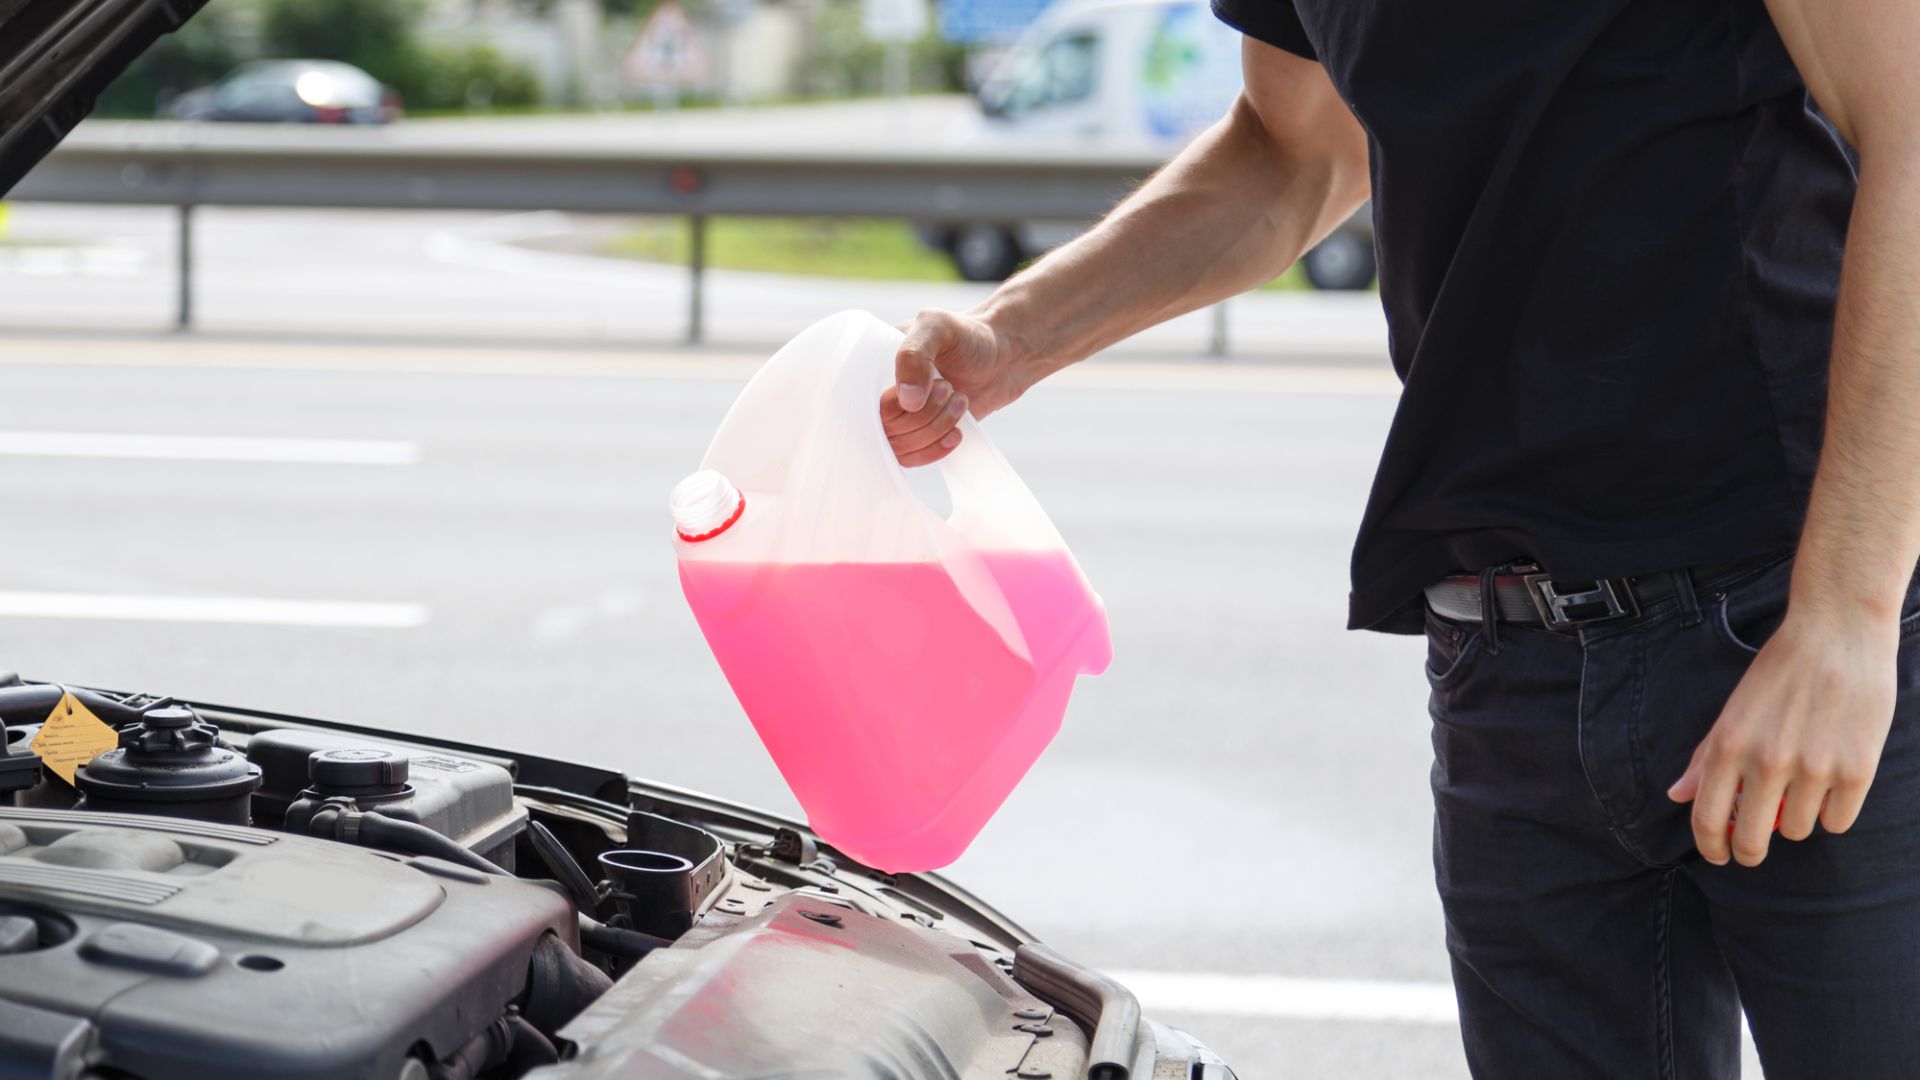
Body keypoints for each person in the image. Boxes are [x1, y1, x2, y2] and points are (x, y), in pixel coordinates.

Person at [879, 2, 1920, 1076]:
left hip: (1797, 623)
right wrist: (1015, 333)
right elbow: (1290, 149)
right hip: (1509, 659)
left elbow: (1911, 126)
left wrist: (1846, 617)